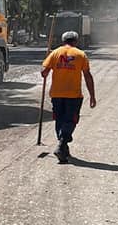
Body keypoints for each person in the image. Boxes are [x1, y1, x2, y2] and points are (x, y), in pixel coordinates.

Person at [41, 30, 96, 163]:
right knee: (71, 120)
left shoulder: (55, 53)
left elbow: (43, 73)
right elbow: (87, 76)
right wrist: (92, 96)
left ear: (63, 40)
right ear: (76, 41)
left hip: (56, 94)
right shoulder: (80, 54)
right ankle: (62, 145)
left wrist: (48, 62)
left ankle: (63, 147)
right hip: (73, 95)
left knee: (59, 120)